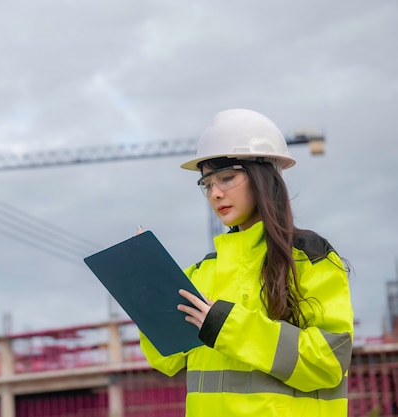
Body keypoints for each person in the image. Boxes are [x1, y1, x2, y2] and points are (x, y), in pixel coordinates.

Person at [138, 108, 354, 416]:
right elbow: (168, 360)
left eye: (226, 178)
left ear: (262, 177)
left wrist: (228, 326)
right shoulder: (201, 272)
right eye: (207, 184)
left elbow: (328, 362)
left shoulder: (309, 258)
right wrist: (147, 298)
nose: (215, 193)